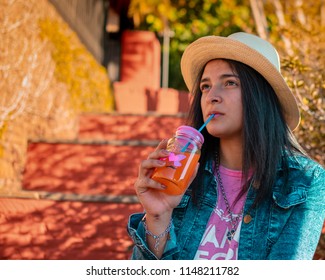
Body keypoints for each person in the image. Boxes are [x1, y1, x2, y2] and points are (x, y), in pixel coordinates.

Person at [127, 32, 325, 260]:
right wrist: (158, 216)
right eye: (205, 86)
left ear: (260, 96)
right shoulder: (182, 174)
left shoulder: (305, 183)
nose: (212, 96)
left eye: (230, 82)